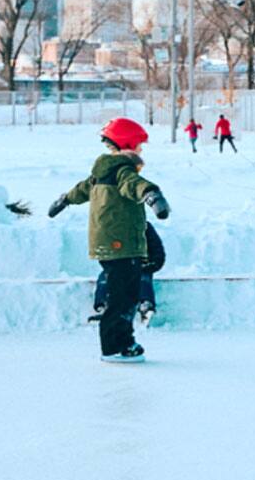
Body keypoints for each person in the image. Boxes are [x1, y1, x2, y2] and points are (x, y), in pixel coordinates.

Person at [48, 117, 171, 362]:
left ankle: (121, 342)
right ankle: (115, 347)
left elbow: (81, 190)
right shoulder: (123, 170)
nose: (141, 150)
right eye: (139, 145)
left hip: (109, 243)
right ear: (129, 143)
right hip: (122, 244)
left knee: (121, 295)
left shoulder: (101, 172)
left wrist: (64, 200)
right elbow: (134, 184)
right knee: (123, 299)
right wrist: (152, 195)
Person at [90, 222, 165, 326]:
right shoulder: (113, 227)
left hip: (141, 265)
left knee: (143, 278)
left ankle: (146, 306)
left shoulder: (144, 227)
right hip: (118, 265)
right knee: (104, 279)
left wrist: (152, 264)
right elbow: (104, 250)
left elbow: (157, 250)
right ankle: (102, 306)